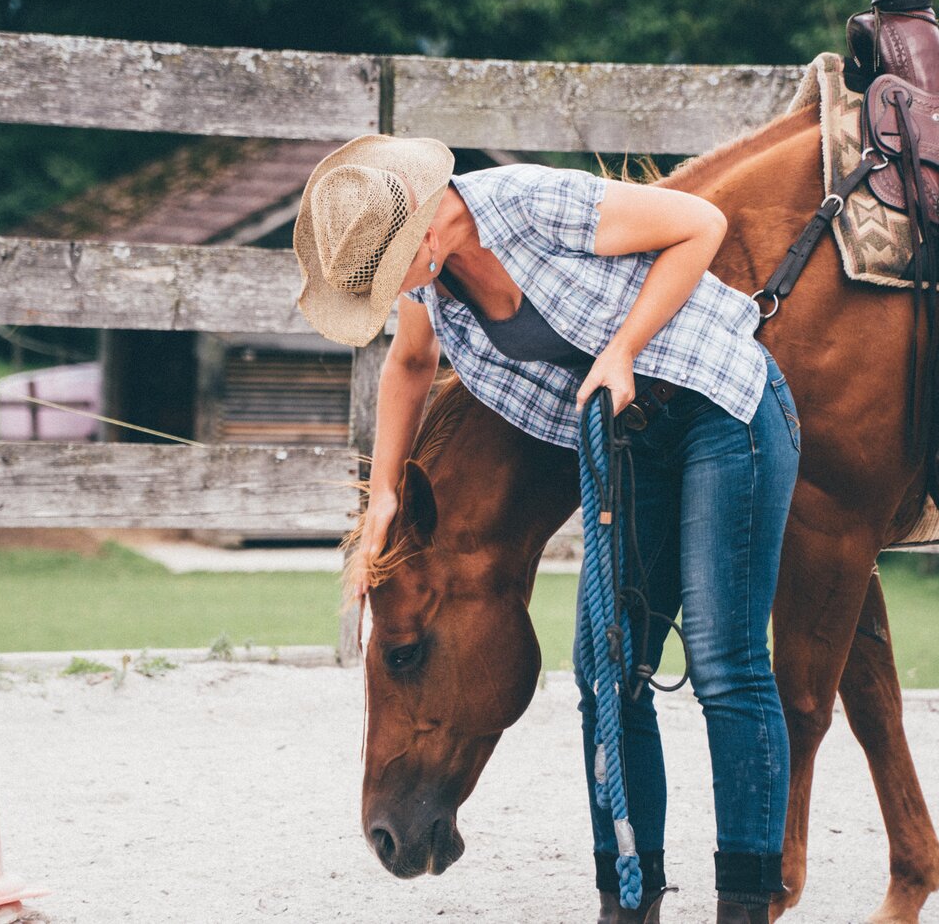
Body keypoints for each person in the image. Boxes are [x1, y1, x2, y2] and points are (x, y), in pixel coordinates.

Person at [294, 134, 800, 924]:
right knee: (606, 670)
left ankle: (744, 905)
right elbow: (408, 367)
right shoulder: (429, 281)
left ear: (425, 229)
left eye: (389, 275)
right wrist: (385, 495)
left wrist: (625, 348)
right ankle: (626, 900)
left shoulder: (532, 206)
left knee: (723, 657)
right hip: (633, 448)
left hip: (717, 406)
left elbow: (700, 224)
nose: (396, 297)